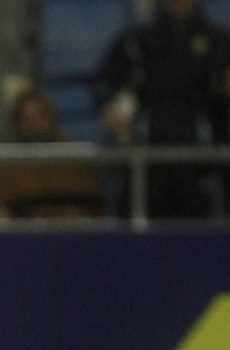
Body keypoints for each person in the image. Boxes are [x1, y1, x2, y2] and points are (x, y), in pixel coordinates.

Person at [96, 0, 230, 219]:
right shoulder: (136, 41)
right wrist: (109, 107)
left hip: (202, 163)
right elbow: (105, 84)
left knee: (200, 240)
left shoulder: (219, 41)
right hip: (145, 161)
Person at [0, 88, 101, 220]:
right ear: (17, 123)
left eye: (40, 116)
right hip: (23, 235)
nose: (34, 123)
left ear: (52, 118)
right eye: (27, 118)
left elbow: (90, 208)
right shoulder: (7, 164)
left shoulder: (74, 158)